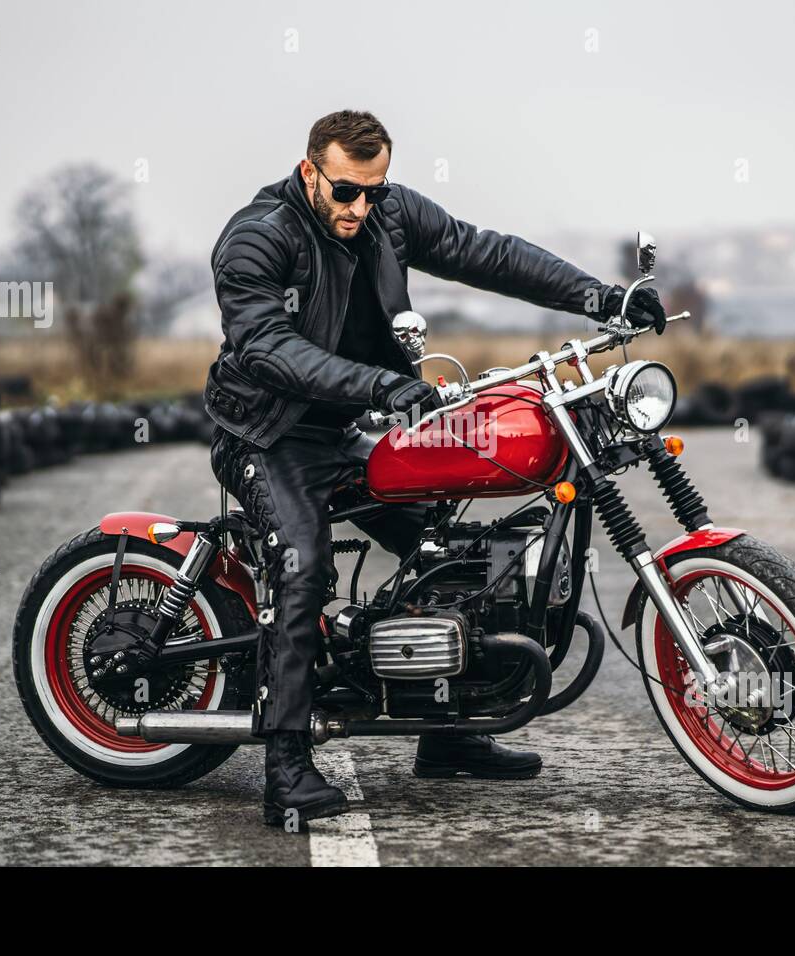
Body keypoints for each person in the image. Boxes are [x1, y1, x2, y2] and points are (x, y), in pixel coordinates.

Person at [204, 109, 666, 826]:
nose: (361, 206)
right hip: (268, 433)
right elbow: (267, 348)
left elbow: (488, 253)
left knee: (455, 553)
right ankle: (287, 765)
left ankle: (450, 734)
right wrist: (383, 386)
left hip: (350, 428)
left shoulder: (389, 214)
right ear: (309, 172)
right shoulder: (257, 236)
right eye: (347, 191)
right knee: (303, 562)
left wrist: (598, 297)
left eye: (374, 189)